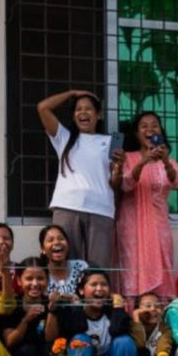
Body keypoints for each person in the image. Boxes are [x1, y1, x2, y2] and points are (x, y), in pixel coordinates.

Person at [36, 89, 121, 268]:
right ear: (74, 116)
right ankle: (68, 297)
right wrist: (71, 93)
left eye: (89, 109)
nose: (83, 112)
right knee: (66, 263)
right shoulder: (65, 138)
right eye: (78, 109)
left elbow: (115, 184)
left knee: (99, 267)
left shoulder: (109, 142)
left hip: (101, 210)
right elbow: (43, 108)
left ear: (98, 115)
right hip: (68, 206)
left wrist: (118, 170)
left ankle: (96, 297)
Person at [114, 111, 178, 300]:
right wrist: (144, 161)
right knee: (133, 267)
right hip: (132, 225)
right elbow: (126, 185)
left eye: (154, 125)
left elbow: (176, 182)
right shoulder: (128, 158)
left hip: (159, 223)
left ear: (161, 131)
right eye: (144, 126)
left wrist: (165, 160)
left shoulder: (169, 161)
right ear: (136, 134)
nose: (150, 129)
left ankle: (160, 317)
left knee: (162, 263)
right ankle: (132, 315)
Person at [39, 224, 88, 302]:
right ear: (43, 249)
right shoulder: (40, 273)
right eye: (50, 240)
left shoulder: (81, 267)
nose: (56, 242)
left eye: (61, 238)